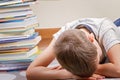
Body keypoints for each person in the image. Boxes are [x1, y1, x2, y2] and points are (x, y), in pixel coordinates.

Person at [26, 18, 120, 80]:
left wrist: (84, 71)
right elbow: (31, 72)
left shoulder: (106, 31)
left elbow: (118, 70)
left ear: (91, 38)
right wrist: (71, 74)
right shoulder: (61, 41)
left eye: (97, 59)